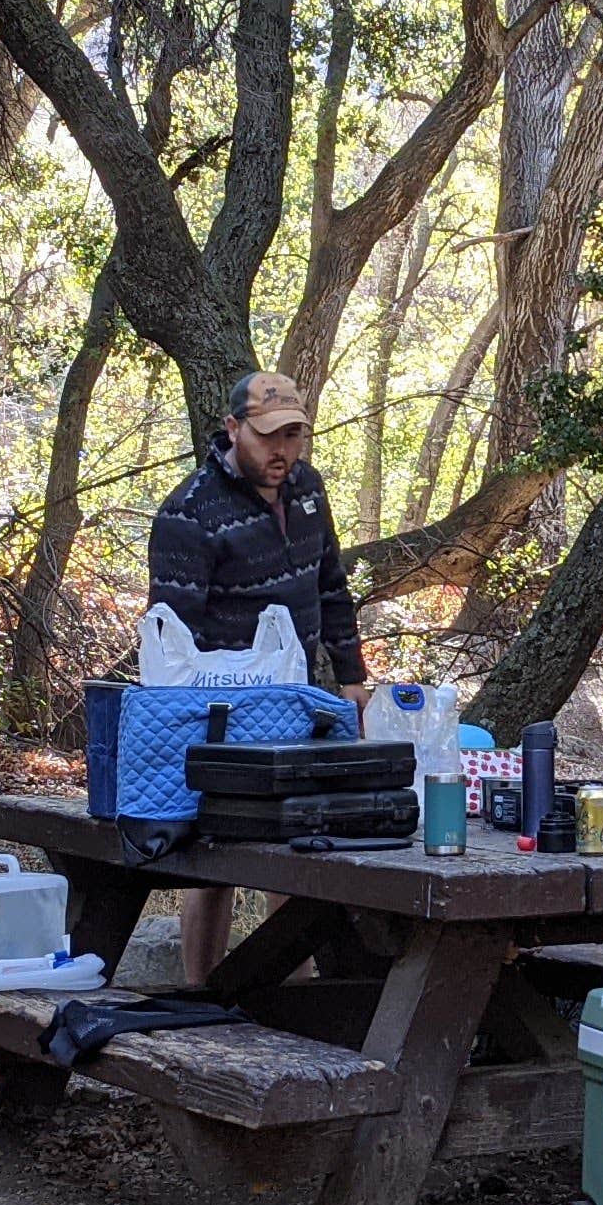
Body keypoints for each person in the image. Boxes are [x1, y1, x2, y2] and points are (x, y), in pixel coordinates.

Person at [149, 369, 369, 978]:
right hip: (219, 710)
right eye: (270, 436)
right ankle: (200, 993)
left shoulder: (308, 489)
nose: (282, 450)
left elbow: (331, 588)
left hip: (295, 699)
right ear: (233, 429)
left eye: (294, 435)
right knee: (215, 857)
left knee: (296, 844)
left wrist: (352, 675)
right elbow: (170, 636)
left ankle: (290, 998)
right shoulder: (190, 513)